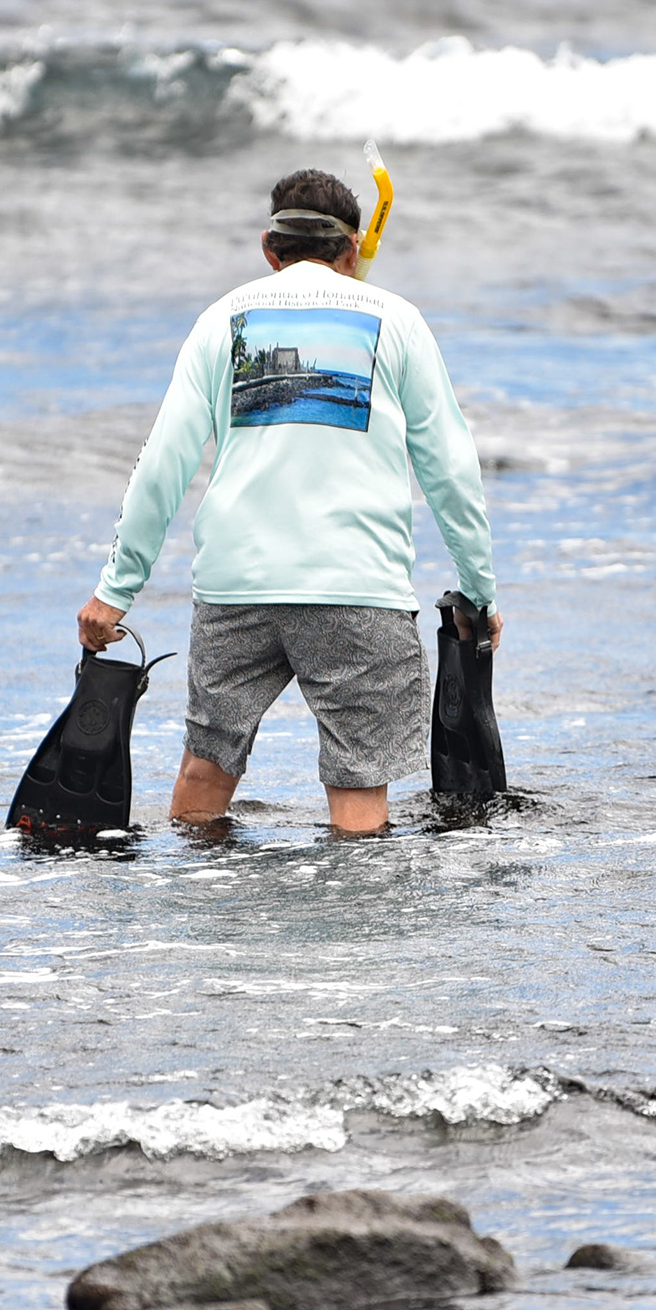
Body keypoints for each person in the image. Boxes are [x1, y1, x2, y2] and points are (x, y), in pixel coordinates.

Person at [77, 169, 501, 836]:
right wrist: (478, 589)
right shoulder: (398, 321)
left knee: (205, 773)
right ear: (353, 249)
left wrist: (115, 590)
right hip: (357, 589)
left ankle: (201, 898)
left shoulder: (221, 320)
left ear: (269, 248)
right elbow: (451, 468)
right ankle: (349, 905)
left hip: (236, 587)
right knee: (358, 793)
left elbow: (162, 462)